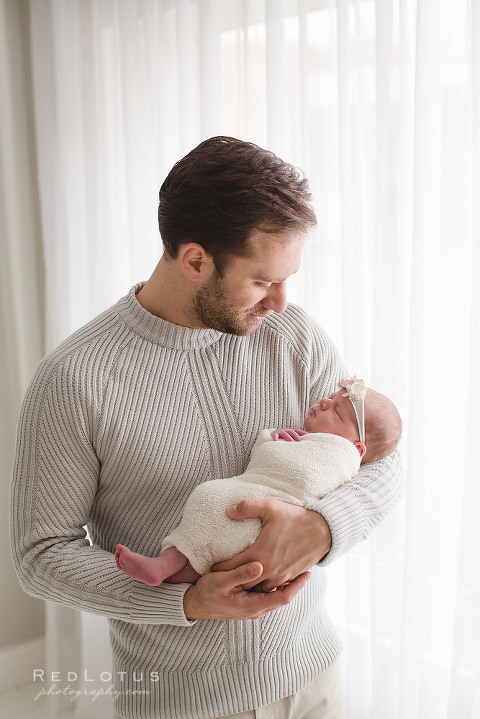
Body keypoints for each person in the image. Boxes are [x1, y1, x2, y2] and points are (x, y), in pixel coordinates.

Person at [10, 136, 404, 719]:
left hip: (313, 675)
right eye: (263, 281)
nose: (281, 302)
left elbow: (381, 458)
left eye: (288, 278)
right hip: (183, 702)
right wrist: (185, 602)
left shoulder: (293, 336)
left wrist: (322, 528)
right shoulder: (75, 379)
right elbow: (41, 556)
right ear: (195, 260)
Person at [115, 379, 402, 588]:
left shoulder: (341, 456)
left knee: (218, 508)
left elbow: (383, 468)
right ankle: (171, 568)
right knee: (209, 497)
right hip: (251, 492)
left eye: (337, 411)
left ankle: (172, 567)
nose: (323, 402)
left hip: (272, 520)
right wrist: (274, 437)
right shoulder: (303, 439)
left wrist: (324, 527)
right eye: (329, 398)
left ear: (357, 449)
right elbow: (267, 460)